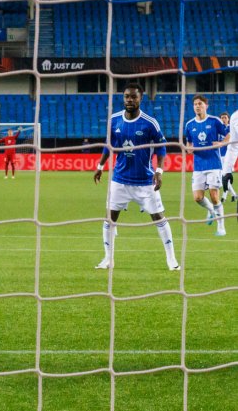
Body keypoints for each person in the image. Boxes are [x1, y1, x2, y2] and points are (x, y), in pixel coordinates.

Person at [92, 83, 179, 271]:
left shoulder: (150, 123)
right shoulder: (114, 120)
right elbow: (109, 146)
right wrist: (100, 165)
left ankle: (171, 260)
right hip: (120, 180)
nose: (129, 100)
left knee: (159, 218)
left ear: (141, 98)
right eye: (126, 97)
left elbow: (161, 148)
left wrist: (159, 171)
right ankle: (108, 259)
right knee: (109, 219)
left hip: (145, 182)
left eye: (133, 97)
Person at [182, 94, 228, 237]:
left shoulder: (214, 121)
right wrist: (188, 148)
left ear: (206, 106)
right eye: (195, 104)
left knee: (214, 196)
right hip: (199, 165)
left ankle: (221, 226)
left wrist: (221, 144)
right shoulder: (189, 124)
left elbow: (229, 134)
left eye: (200, 104)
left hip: (214, 164)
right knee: (197, 197)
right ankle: (211, 211)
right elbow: (189, 143)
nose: (197, 106)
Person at [220, 109, 238, 203]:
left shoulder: (230, 128)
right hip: (221, 156)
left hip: (225, 156)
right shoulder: (219, 129)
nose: (223, 119)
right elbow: (234, 146)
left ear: (228, 119)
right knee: (223, 176)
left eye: (225, 117)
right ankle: (232, 195)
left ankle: (226, 196)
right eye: (222, 118)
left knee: (222, 177)